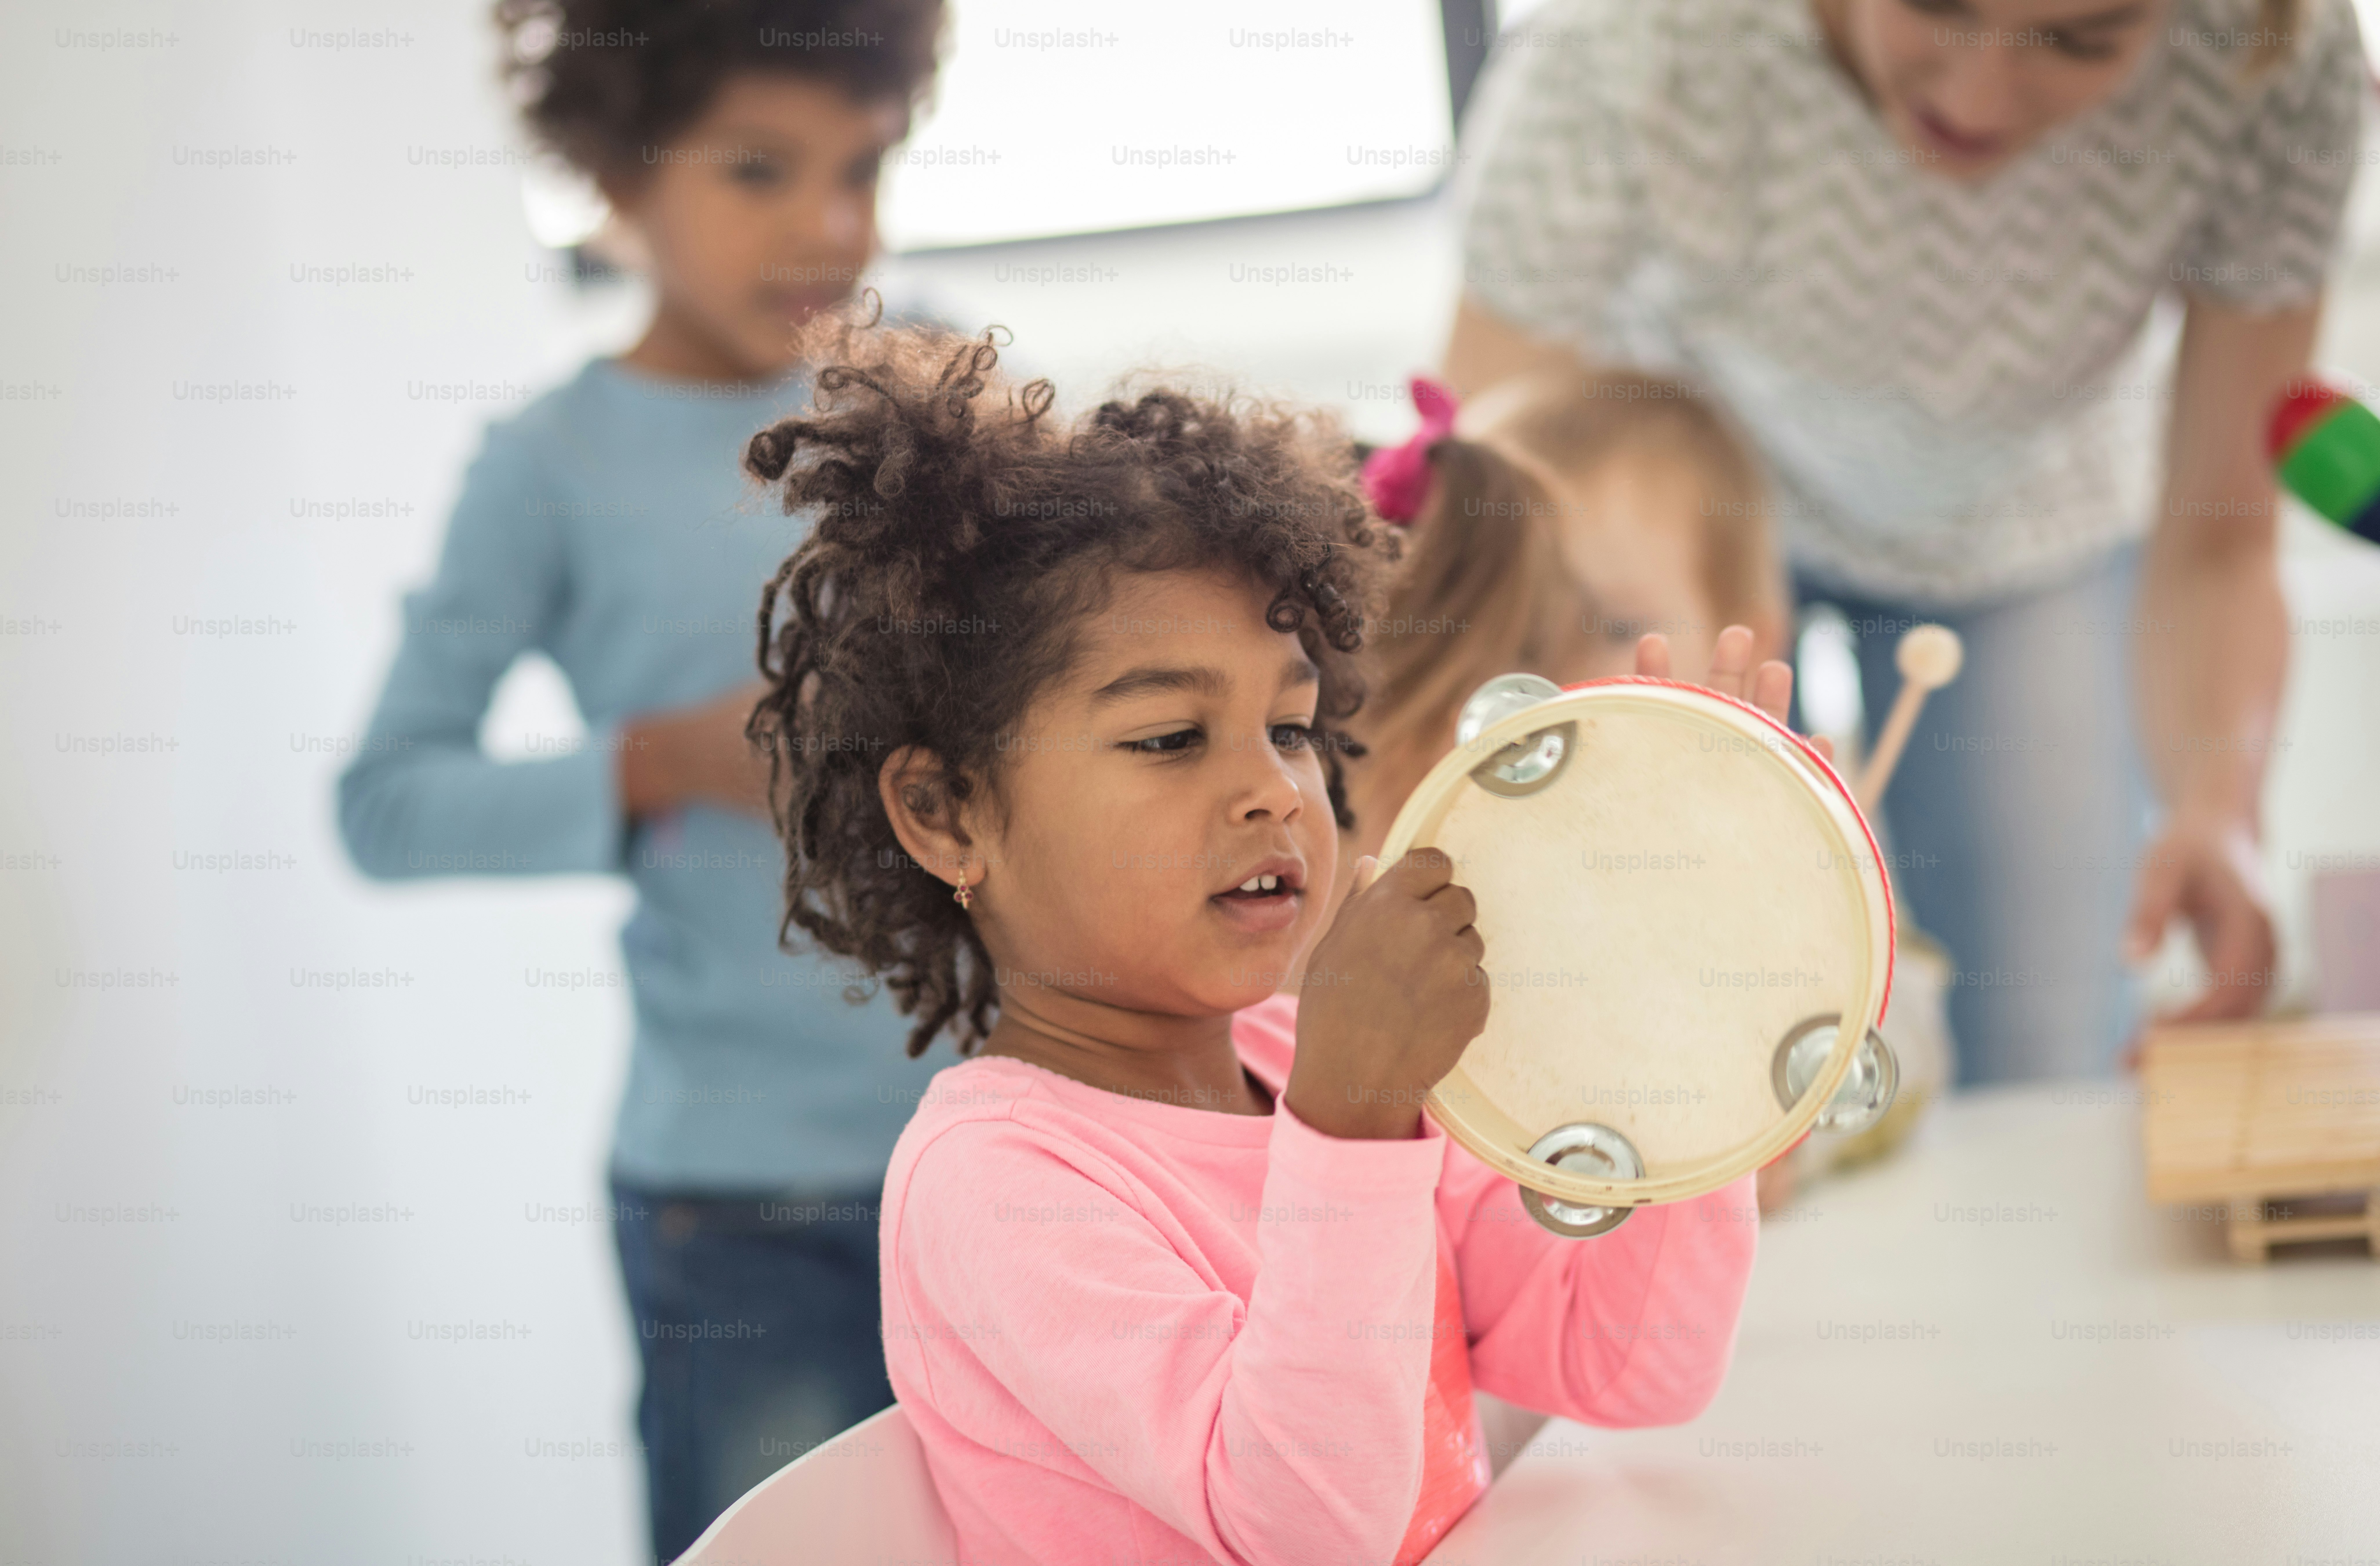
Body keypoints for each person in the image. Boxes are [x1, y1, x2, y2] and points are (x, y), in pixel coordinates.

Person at [731, 310, 1820, 1566]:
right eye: (1168, 740)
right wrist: (1352, 1120)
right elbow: (1304, 1529)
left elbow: (1632, 1364)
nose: (1270, 792)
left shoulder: (1318, 1064)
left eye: (1292, 730)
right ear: (944, 813)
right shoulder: (996, 1186)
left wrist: (1695, 987)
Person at [1447, 0, 2367, 1082]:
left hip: (2024, 528)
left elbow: (2222, 537)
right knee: (1684, 1012)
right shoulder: (1628, 44)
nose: (1977, 100)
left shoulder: (2281, 67)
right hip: (1693, 531)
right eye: (1936, 5)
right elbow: (1481, 521)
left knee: (2044, 1048)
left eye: (2081, 41)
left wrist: (2221, 806)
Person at [336, 3, 945, 1558]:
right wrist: (665, 762)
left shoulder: (937, 398)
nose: (828, 225)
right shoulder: (550, 465)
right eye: (759, 171)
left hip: (1012, 1145)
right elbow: (386, 806)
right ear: (615, 181)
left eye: (859, 169)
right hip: (743, 1211)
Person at [1345, 367, 1790, 880]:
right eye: (1522, 632)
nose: (1554, 678)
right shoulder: (1411, 789)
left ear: (1750, 653)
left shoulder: (1747, 854)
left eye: (1616, 628)